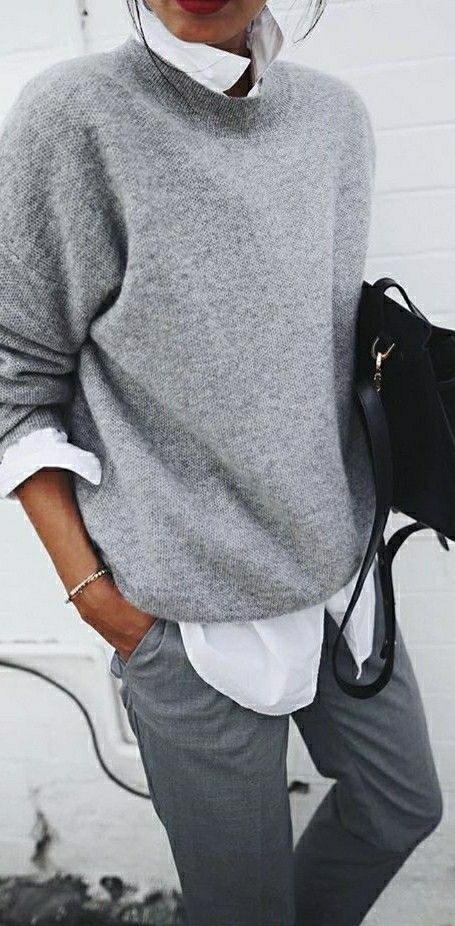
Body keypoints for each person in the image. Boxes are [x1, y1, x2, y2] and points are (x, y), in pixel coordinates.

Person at [0, 1, 443, 923]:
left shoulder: (333, 118)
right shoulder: (73, 118)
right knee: (241, 907)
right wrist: (99, 600)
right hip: (180, 617)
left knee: (399, 806)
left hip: (340, 581)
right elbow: (13, 379)